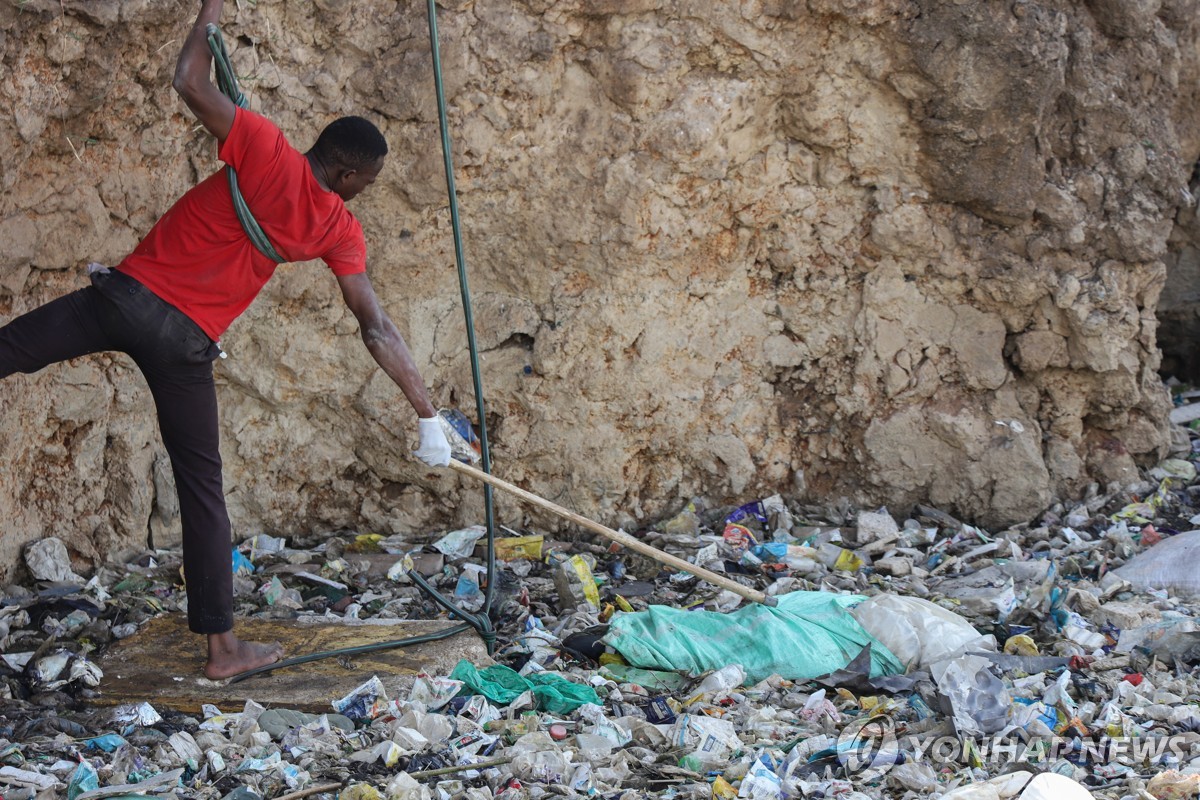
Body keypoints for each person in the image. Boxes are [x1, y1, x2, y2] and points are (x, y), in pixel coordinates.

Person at [0, 0, 452, 679]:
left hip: (124, 302)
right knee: (202, 491)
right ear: (351, 175)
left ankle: (223, 648)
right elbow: (376, 325)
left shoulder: (264, 148)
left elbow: (188, 80)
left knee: (9, 349)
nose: (366, 194)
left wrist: (210, 10)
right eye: (368, 184)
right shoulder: (336, 230)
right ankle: (222, 651)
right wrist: (427, 415)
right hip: (184, 343)